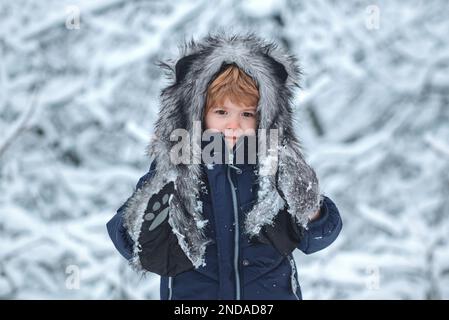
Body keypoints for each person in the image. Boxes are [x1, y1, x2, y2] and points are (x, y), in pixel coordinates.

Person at [106, 32, 342, 300]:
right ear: (198, 113)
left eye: (246, 114)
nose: (233, 124)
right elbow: (122, 236)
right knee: (157, 227)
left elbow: (318, 238)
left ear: (265, 115)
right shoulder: (179, 166)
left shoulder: (276, 165)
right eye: (221, 112)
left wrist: (309, 208)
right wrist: (143, 220)